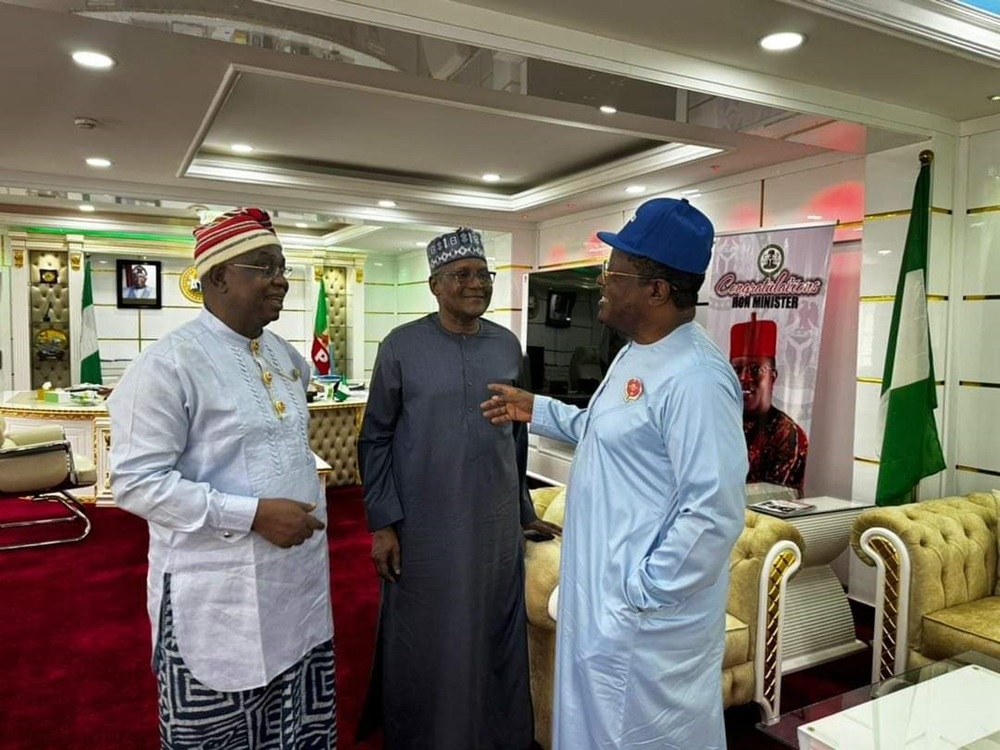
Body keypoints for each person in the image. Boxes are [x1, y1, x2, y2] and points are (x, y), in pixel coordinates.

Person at [482, 198, 748, 750]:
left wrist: (643, 590)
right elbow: (614, 435)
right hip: (605, 603)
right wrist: (540, 409)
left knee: (644, 736)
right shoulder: (636, 353)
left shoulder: (695, 378)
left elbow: (714, 509)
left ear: (656, 290)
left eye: (614, 270)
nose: (602, 280)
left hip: (644, 619)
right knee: (594, 728)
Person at [107, 208, 336, 749]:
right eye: (264, 267)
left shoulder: (282, 354)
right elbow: (136, 483)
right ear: (216, 278)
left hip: (298, 585)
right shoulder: (167, 366)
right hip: (216, 591)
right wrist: (253, 514)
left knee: (299, 727)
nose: (281, 279)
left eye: (282, 266)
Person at [356, 227, 560, 750]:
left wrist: (520, 510)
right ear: (435, 285)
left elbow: (515, 437)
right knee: (425, 634)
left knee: (493, 627)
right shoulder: (402, 346)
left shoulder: (507, 344)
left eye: (483, 274)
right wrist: (383, 522)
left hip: (492, 524)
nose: (476, 284)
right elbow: (375, 438)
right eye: (461, 276)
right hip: (424, 525)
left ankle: (494, 735)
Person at [730, 313, 809, 494]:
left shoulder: (787, 434)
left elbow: (776, 496)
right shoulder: (718, 421)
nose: (744, 378)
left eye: (756, 369)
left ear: (772, 376)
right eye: (737, 369)